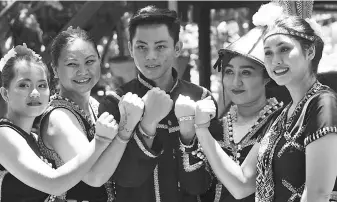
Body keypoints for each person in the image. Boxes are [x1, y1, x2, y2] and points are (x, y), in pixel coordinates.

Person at [193, 6, 337, 202]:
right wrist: (201, 129)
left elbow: (318, 194)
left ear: (310, 51)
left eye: (284, 49)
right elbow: (242, 184)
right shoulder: (281, 117)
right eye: (268, 53)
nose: (276, 60)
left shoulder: (322, 104)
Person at [98, 5, 215, 202]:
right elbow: (126, 178)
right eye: (141, 47)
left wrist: (188, 135)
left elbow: (199, 185)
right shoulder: (115, 103)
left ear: (177, 48)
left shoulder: (201, 99)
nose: (150, 56)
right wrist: (147, 125)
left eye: (160, 46)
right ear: (130, 49)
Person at [0, 44, 119, 202]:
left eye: (41, 85)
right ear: (5, 93)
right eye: (23, 85)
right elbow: (54, 184)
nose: (35, 93)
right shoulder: (3, 136)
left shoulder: (33, 139)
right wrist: (100, 141)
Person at [38, 27, 144, 202]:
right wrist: (126, 128)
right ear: (55, 69)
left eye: (90, 61)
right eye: (72, 64)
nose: (83, 71)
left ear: (100, 62)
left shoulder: (95, 106)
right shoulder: (58, 118)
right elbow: (93, 177)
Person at [198, 22, 285, 202]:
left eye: (246, 73)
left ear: (267, 77)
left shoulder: (281, 122)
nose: (235, 82)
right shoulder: (216, 125)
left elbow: (242, 187)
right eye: (229, 72)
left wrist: (200, 130)